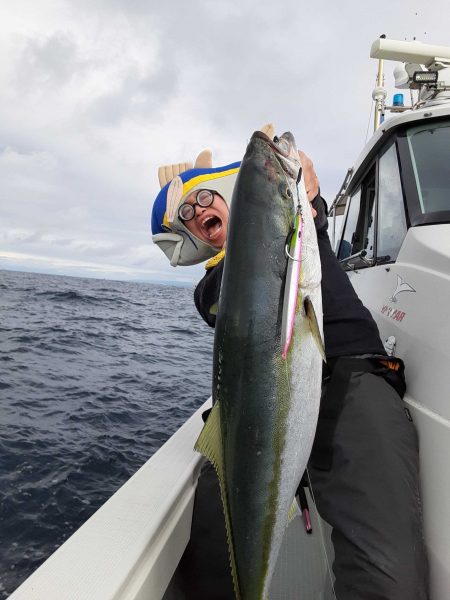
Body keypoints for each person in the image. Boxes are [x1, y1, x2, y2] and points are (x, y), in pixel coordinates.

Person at [151, 129, 429, 599]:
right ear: (190, 237)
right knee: (203, 553)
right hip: (263, 416)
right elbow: (241, 284)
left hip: (350, 378)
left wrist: (296, 192)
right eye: (187, 216)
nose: (199, 211)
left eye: (205, 199)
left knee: (387, 576)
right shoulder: (213, 288)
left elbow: (286, 230)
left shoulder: (303, 234)